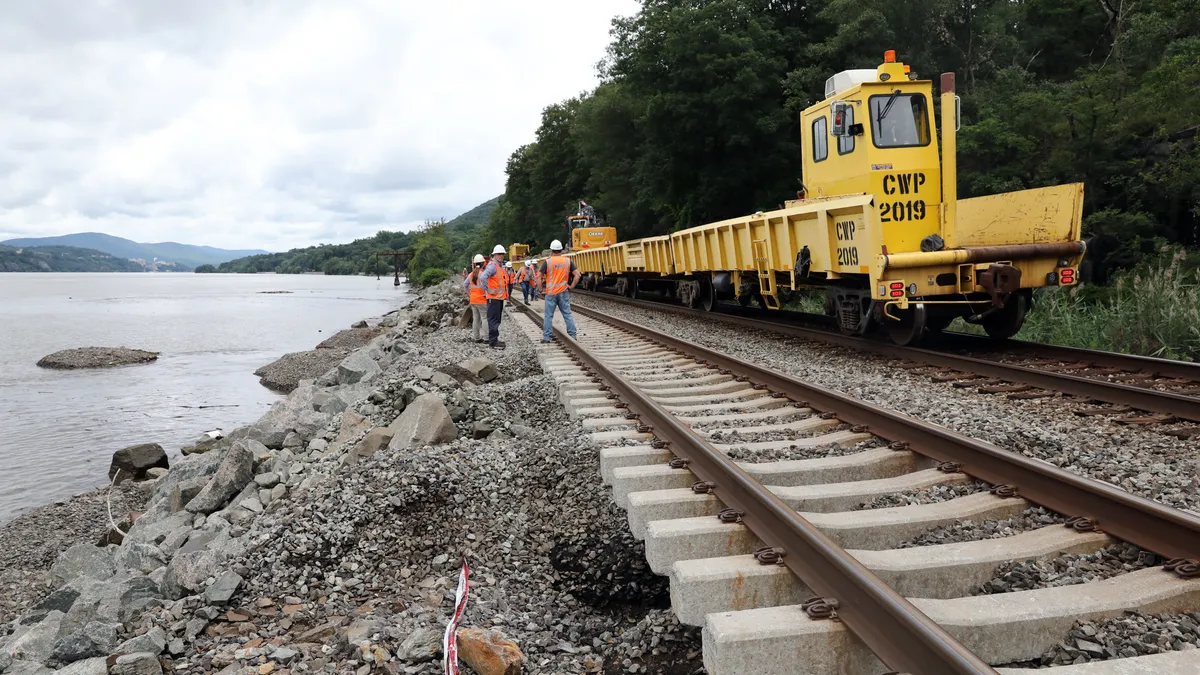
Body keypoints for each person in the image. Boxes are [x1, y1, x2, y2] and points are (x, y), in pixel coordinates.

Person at [539, 239, 581, 343]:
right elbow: (577, 275)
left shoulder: (547, 262)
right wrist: (571, 286)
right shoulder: (567, 261)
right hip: (563, 292)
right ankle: (573, 335)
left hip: (551, 293)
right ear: (561, 250)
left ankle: (547, 337)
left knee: (548, 316)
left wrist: (540, 290)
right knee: (567, 314)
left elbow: (538, 277)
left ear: (551, 250)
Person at [478, 244, 508, 349]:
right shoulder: (493, 266)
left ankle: (495, 340)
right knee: (493, 320)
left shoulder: (499, 266)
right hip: (493, 299)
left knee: (496, 320)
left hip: (498, 298)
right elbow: (483, 277)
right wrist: (488, 289)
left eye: (502, 254)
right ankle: (493, 342)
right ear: (494, 255)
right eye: (499, 254)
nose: (501, 256)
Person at [462, 254, 487, 343]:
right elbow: (486, 287)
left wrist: (470, 294)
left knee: (476, 319)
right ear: (483, 263)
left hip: (473, 300)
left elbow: (465, 285)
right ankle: (487, 338)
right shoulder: (483, 274)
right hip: (481, 300)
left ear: (474, 264)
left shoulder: (471, 274)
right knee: (484, 318)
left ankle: (477, 338)